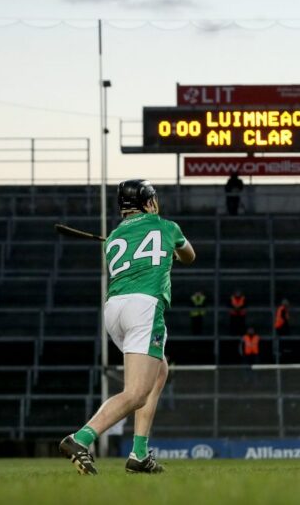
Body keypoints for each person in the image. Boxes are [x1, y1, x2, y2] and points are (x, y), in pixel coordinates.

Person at [59, 179, 195, 475]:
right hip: (144, 308)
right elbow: (190, 256)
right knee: (135, 394)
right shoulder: (168, 227)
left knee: (159, 371)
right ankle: (80, 439)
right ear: (149, 202)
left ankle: (139, 454)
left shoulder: (114, 238)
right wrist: (171, 252)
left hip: (114, 311)